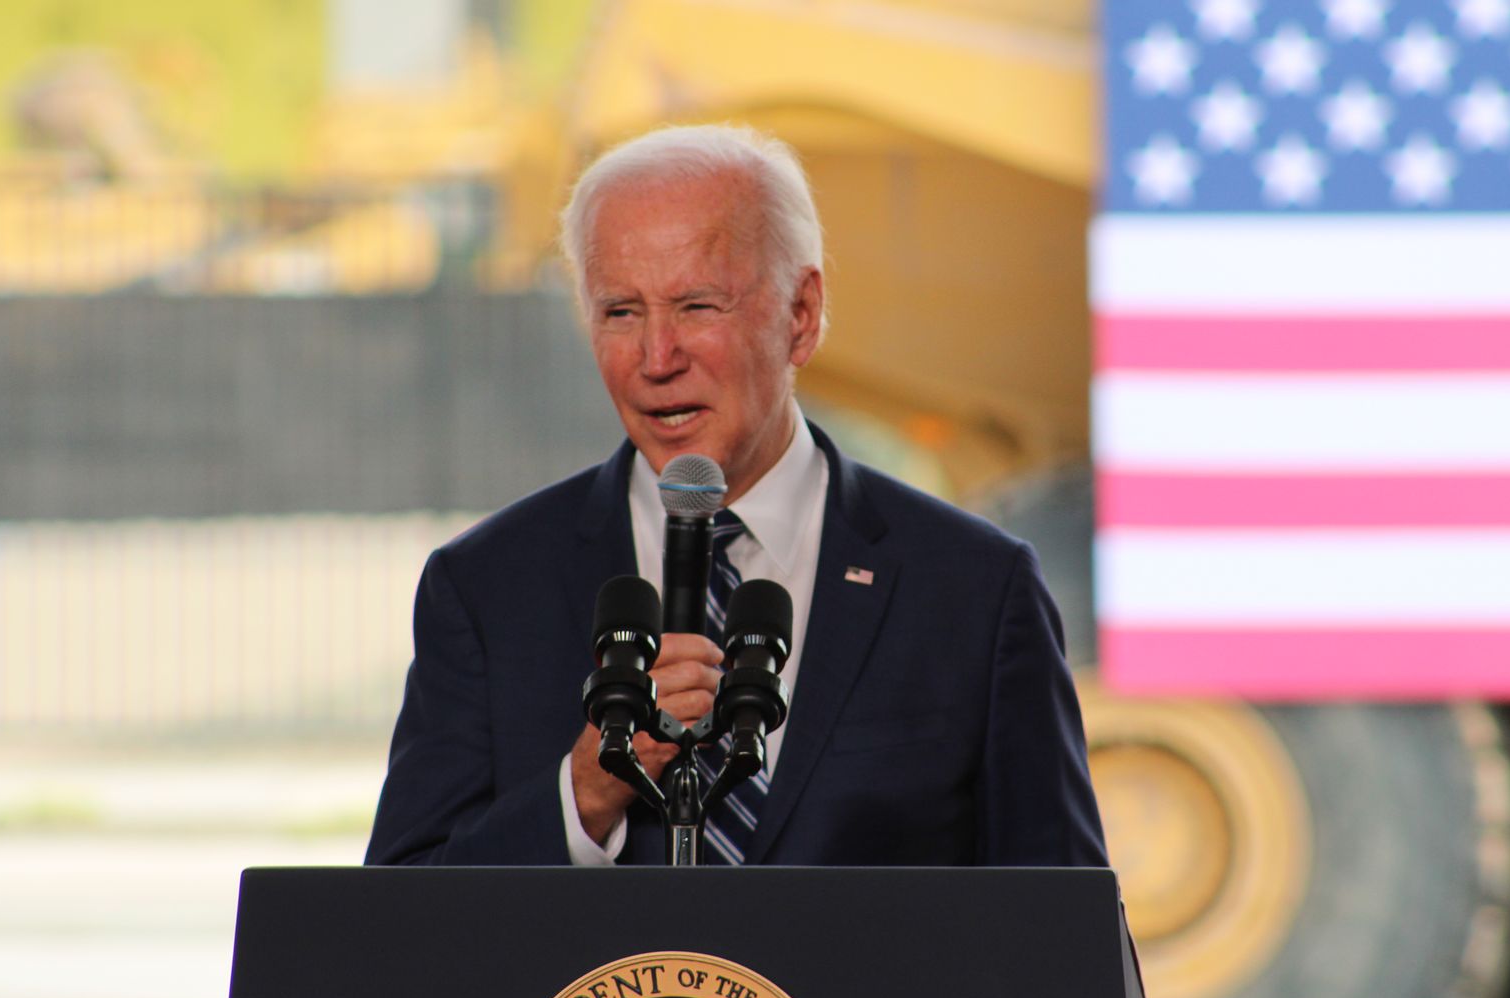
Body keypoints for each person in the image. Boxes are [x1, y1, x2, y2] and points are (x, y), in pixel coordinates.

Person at [365, 124, 1107, 868]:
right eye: (621, 312)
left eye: (697, 307)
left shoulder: (972, 590)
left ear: (801, 315)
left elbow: (1059, 936)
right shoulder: (488, 589)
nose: (656, 359)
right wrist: (583, 797)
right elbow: (396, 931)